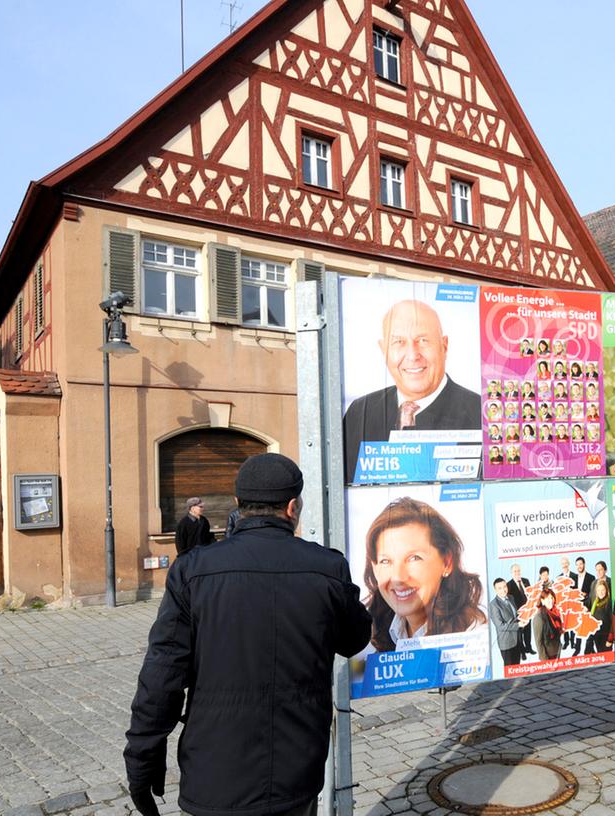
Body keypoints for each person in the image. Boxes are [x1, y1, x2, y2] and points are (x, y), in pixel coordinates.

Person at [125, 453, 371, 816]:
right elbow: (354, 639)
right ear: (292, 508)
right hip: (297, 768)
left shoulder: (193, 570)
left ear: (238, 505)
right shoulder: (327, 567)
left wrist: (142, 758)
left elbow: (162, 675)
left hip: (215, 771)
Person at [342, 300, 483, 482]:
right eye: (398, 342)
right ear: (383, 349)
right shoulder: (361, 411)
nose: (412, 355)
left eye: (423, 340)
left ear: (444, 346)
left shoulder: (480, 414)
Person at [360, 497, 486, 652]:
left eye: (414, 558)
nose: (399, 577)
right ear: (374, 567)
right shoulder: (373, 636)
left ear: (446, 563)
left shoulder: (476, 638)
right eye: (386, 561)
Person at [490, 579, 522, 667]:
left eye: (504, 587)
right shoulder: (493, 605)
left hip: (517, 640)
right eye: (500, 588)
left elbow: (515, 615)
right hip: (506, 642)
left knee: (517, 668)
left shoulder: (511, 598)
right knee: (509, 671)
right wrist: (518, 625)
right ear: (495, 590)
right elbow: (500, 626)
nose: (503, 590)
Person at [506, 563, 533, 655]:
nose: (517, 572)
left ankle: (529, 648)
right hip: (517, 613)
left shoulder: (526, 581)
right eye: (515, 571)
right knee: (519, 632)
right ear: (511, 573)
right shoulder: (508, 585)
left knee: (528, 631)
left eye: (518, 570)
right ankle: (522, 651)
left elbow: (530, 594)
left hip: (528, 611)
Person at [533, 588, 562, 661]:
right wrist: (545, 661)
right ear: (542, 601)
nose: (550, 601)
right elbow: (538, 642)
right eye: (547, 599)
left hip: (557, 651)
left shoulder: (554, 612)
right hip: (548, 656)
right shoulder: (539, 617)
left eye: (551, 598)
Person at [584, 578, 612, 654]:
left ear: (606, 590)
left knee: (606, 659)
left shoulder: (609, 603)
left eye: (603, 590)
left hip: (605, 637)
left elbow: (613, 622)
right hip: (597, 635)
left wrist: (610, 639)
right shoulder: (595, 603)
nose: (601, 592)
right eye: (599, 590)